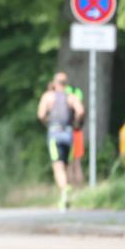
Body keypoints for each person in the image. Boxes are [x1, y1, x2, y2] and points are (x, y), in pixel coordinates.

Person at [37, 74, 84, 211]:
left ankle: (64, 191)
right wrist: (75, 121)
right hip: (68, 133)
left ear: (54, 83)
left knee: (57, 166)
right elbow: (80, 111)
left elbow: (40, 114)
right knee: (67, 165)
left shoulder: (48, 96)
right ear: (66, 83)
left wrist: (47, 122)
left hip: (54, 133)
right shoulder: (71, 97)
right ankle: (67, 194)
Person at [55, 72, 85, 188]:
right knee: (73, 162)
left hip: (72, 132)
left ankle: (72, 187)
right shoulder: (76, 98)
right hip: (75, 132)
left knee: (71, 163)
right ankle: (75, 187)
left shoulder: (69, 99)